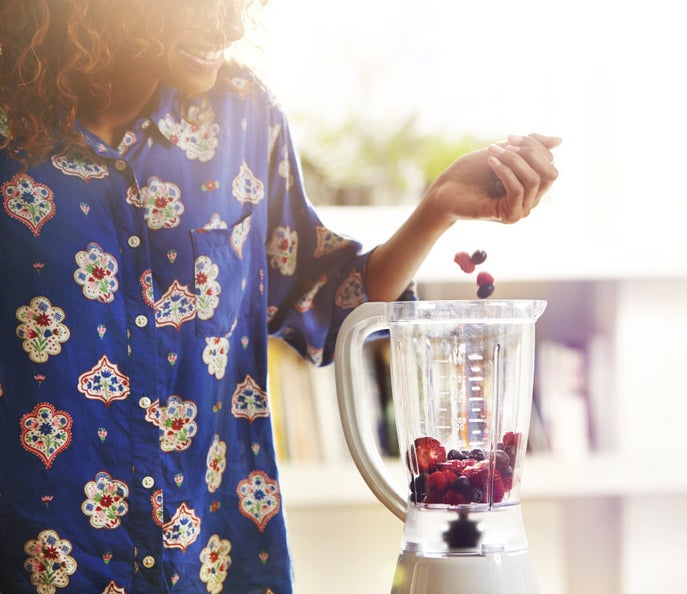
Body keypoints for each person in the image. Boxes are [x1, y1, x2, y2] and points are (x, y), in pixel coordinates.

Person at [0, 1, 560, 593]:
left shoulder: (243, 115)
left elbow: (324, 299)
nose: (231, 26)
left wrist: (438, 205)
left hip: (211, 567)